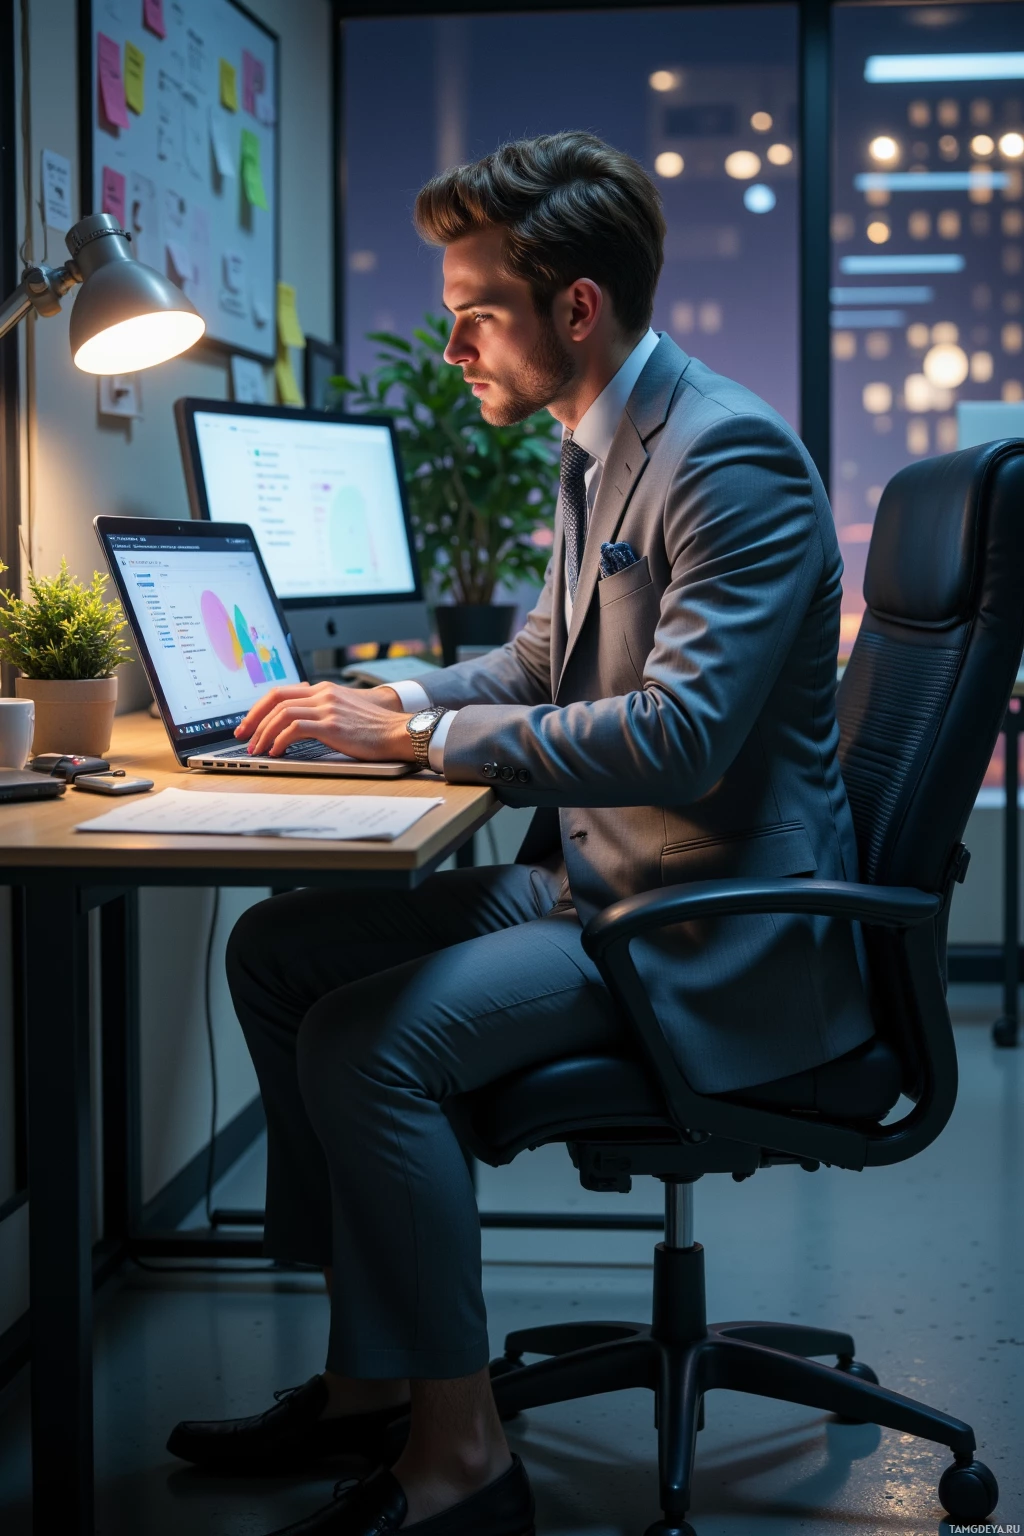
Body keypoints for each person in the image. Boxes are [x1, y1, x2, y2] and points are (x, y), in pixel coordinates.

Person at [166, 131, 873, 1535]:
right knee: (282, 952)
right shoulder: (598, 445)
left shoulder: (723, 458)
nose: (455, 351)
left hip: (705, 921)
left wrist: (422, 742)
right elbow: (542, 666)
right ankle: (371, 1378)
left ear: (576, 309)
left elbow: (683, 735)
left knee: (368, 1043)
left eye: (474, 315)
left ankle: (464, 1454)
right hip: (599, 880)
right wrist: (390, 697)